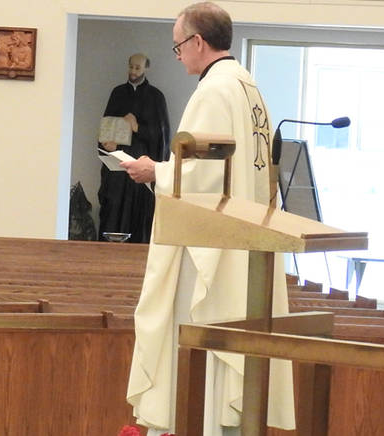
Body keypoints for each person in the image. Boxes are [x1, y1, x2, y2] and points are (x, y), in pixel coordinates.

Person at [119, 3, 295, 436]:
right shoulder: (247, 86)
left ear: (198, 42)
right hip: (242, 244)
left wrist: (151, 170)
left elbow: (201, 175)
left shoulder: (214, 91)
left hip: (214, 249)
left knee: (205, 339)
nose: (177, 54)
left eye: (178, 46)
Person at [97, 53, 170, 244]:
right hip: (116, 169)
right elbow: (106, 126)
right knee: (112, 208)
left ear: (146, 68)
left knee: (139, 215)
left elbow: (161, 137)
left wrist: (137, 127)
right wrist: (108, 143)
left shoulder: (156, 97)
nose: (133, 71)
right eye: (130, 66)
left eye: (137, 68)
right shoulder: (117, 93)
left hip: (141, 169)